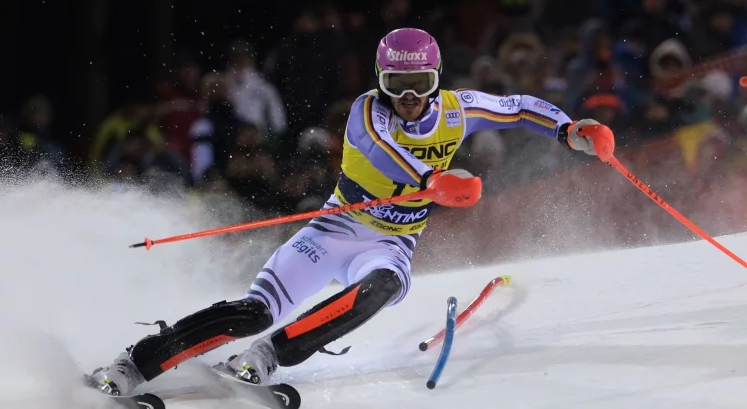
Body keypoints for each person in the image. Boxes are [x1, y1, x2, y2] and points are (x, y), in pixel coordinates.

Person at [87, 27, 611, 396]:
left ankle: (273, 356)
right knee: (255, 311)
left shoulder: (457, 109)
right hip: (336, 229)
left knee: (379, 289)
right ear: (381, 81)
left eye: (421, 86)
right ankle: (136, 362)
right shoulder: (366, 110)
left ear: (437, 79)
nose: (408, 99)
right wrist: (433, 180)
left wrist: (570, 130)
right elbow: (384, 150)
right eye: (397, 87)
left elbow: (518, 106)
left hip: (391, 241)